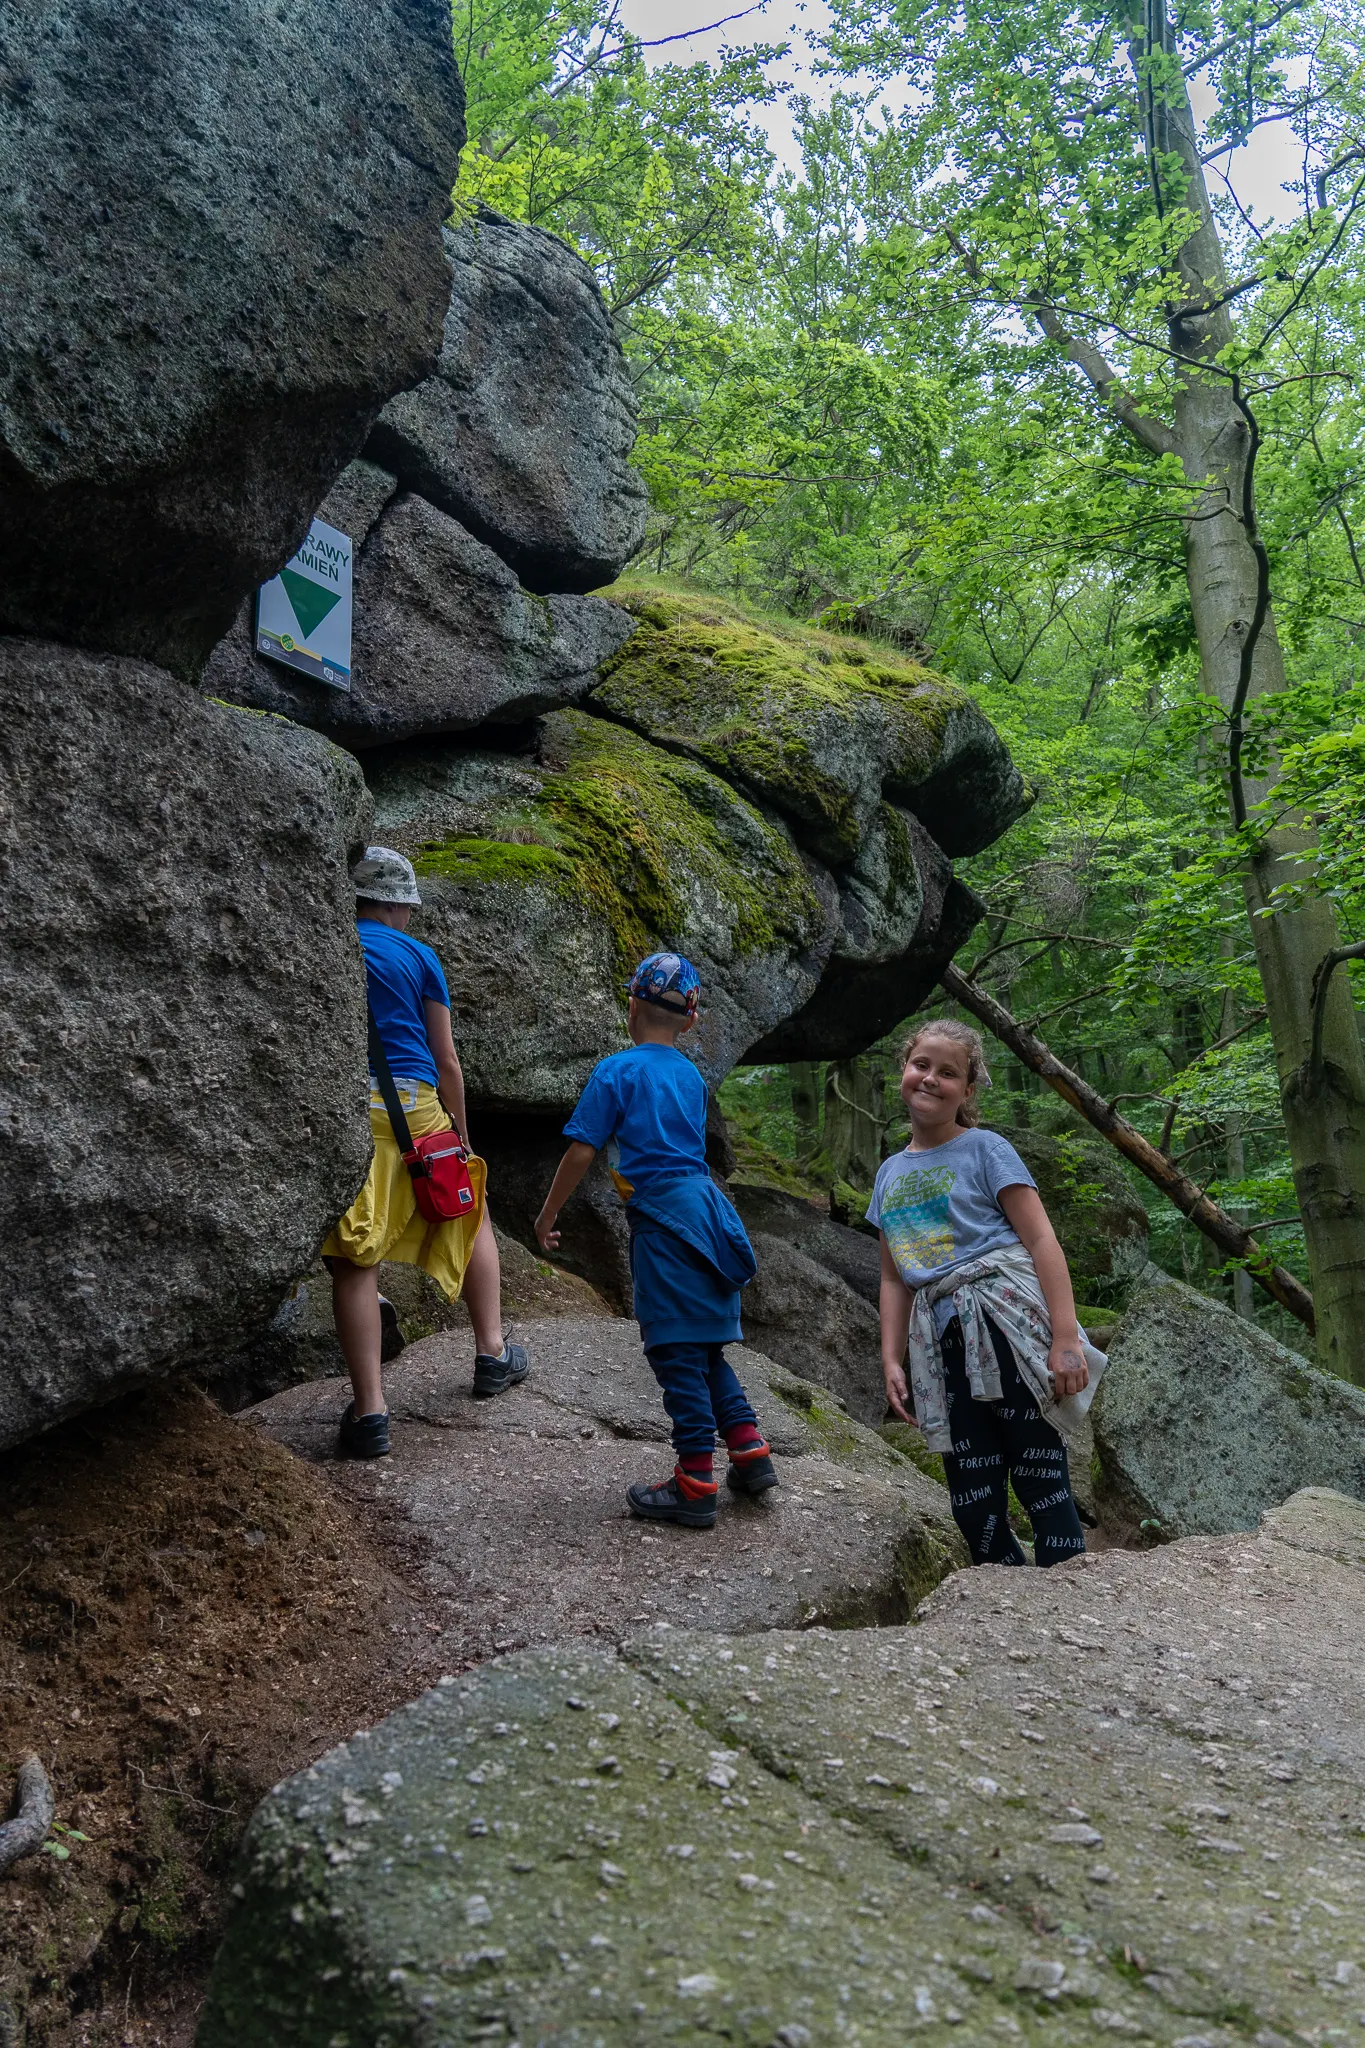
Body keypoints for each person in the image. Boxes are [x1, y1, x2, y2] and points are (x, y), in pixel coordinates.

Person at [533, 952, 774, 1530]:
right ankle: (749, 1449)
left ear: (632, 1005)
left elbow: (583, 1149)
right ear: (690, 1022)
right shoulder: (690, 1075)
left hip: (662, 1222)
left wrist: (546, 1217)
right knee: (705, 1344)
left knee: (673, 1349)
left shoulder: (617, 1071)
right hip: (706, 1211)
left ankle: (695, 1484)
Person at [871, 1018, 1104, 1567]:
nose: (930, 1079)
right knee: (973, 1502)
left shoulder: (985, 1149)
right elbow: (891, 1276)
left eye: (948, 1073)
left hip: (1007, 1324)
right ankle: (1005, 1615)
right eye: (921, 1065)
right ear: (904, 1069)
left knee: (1038, 1475)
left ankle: (1077, 1602)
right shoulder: (888, 1174)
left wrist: (1066, 1338)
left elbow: (1041, 1239)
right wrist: (890, 1357)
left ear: (968, 1090)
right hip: (941, 1341)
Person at [322, 846, 528, 1458]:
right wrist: (461, 1137)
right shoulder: (419, 956)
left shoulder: (330, 943)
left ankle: (371, 1413)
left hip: (351, 1109)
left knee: (356, 1254)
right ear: (393, 903)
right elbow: (447, 1060)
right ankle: (492, 1352)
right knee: (471, 1212)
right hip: (417, 1108)